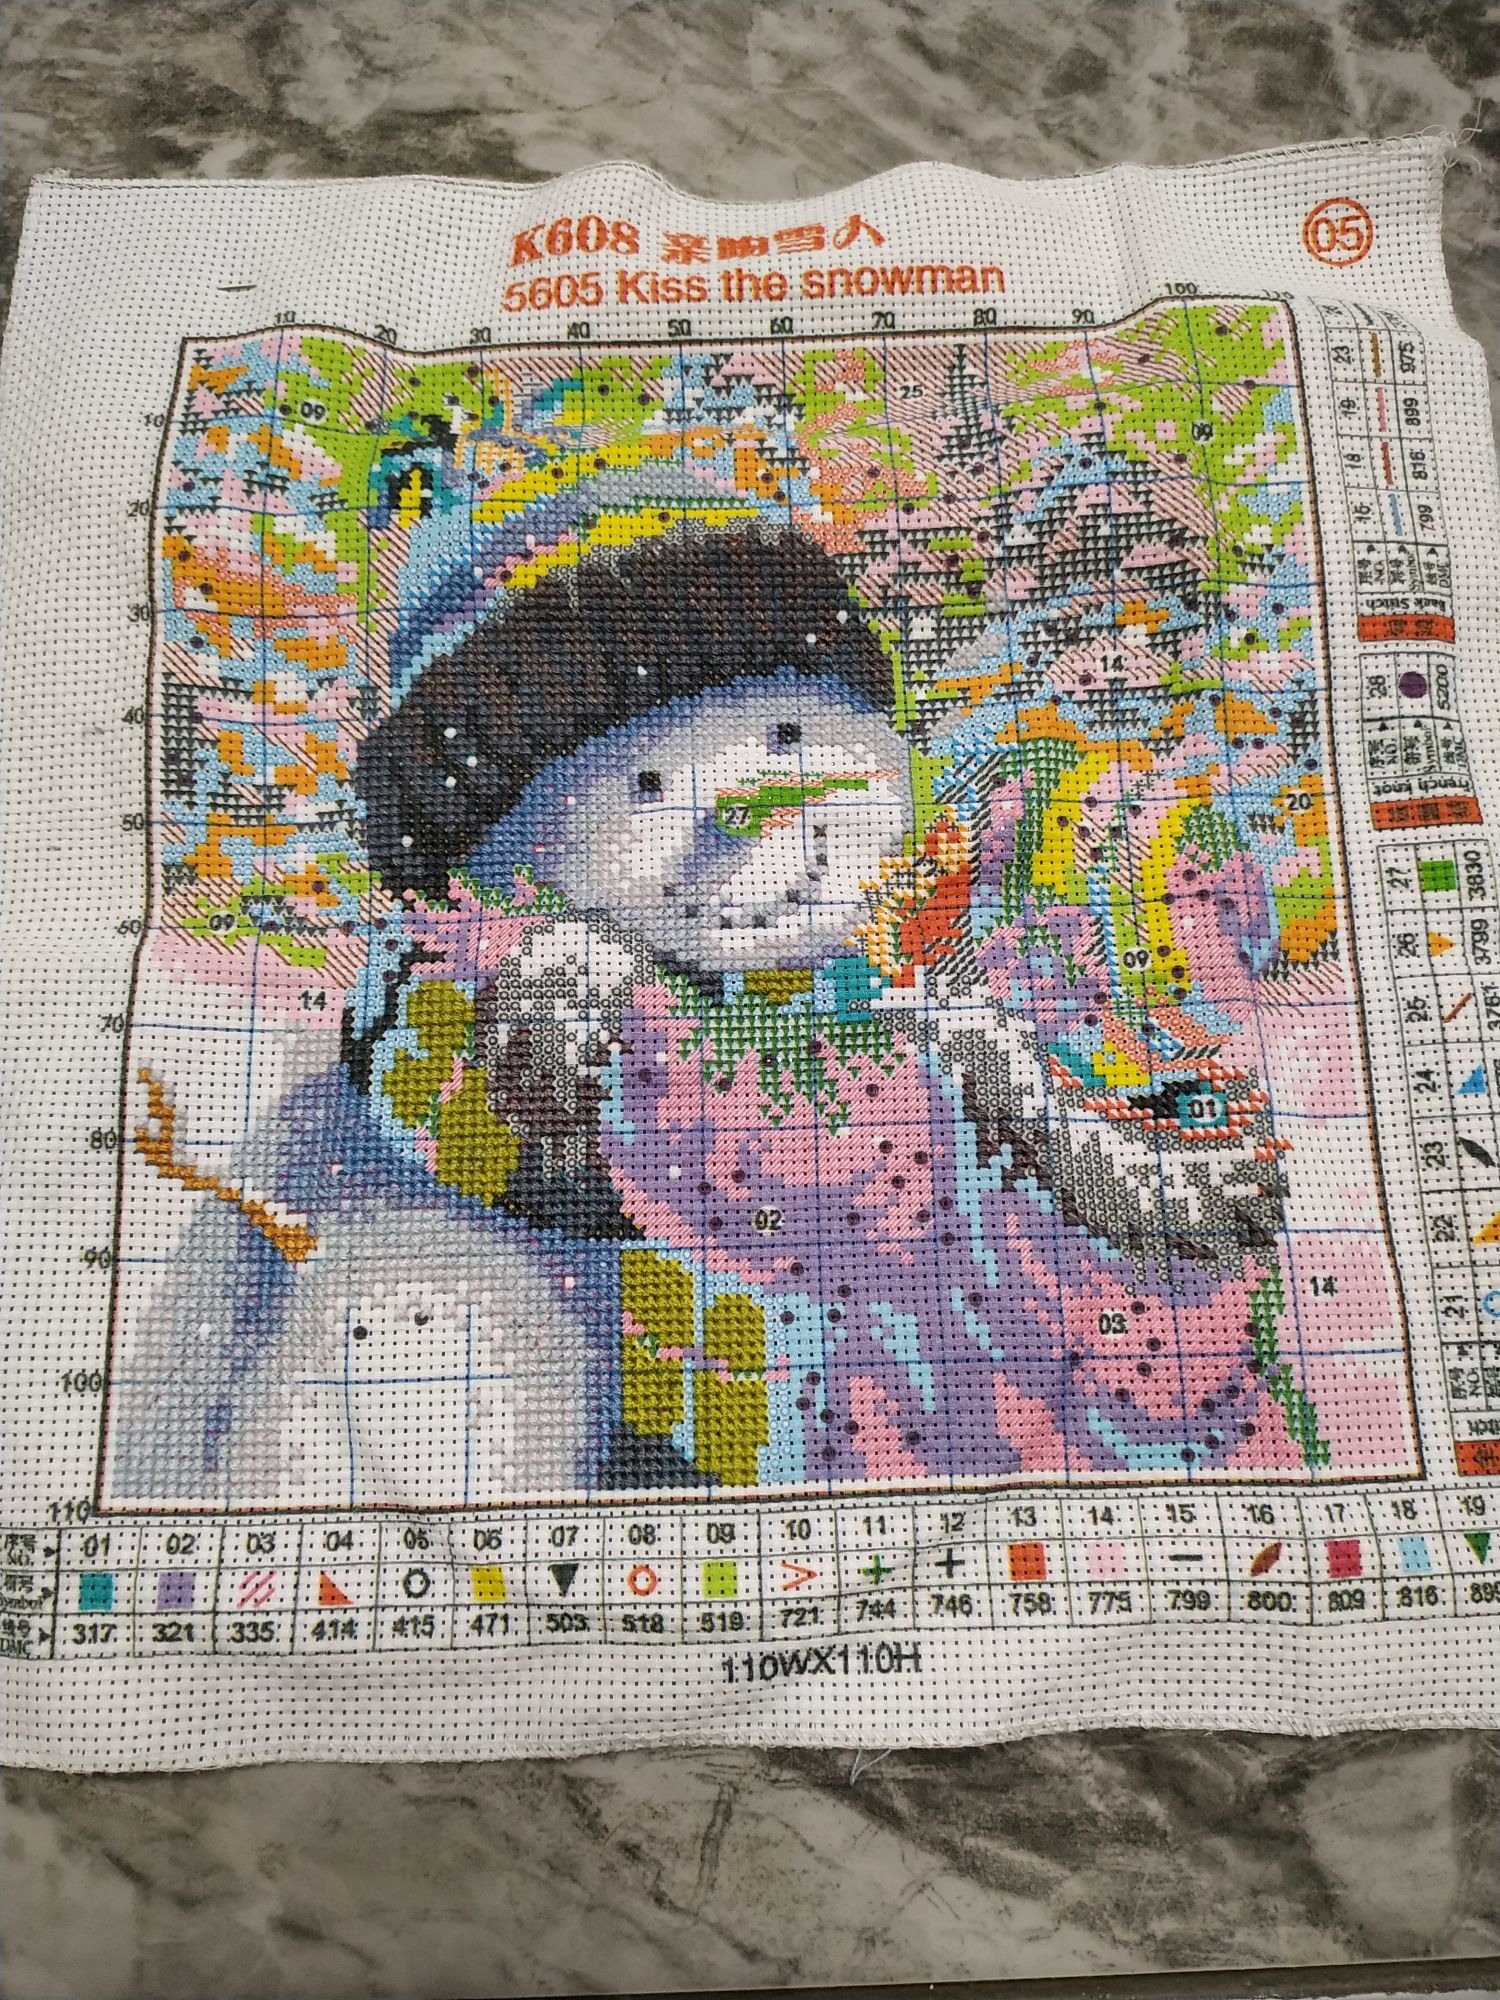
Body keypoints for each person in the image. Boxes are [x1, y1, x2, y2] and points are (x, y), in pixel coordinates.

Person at [109, 522, 1291, 1503]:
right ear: (527, 856)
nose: (753, 811)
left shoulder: (966, 974)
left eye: (790, 736)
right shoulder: (484, 1051)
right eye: (644, 787)